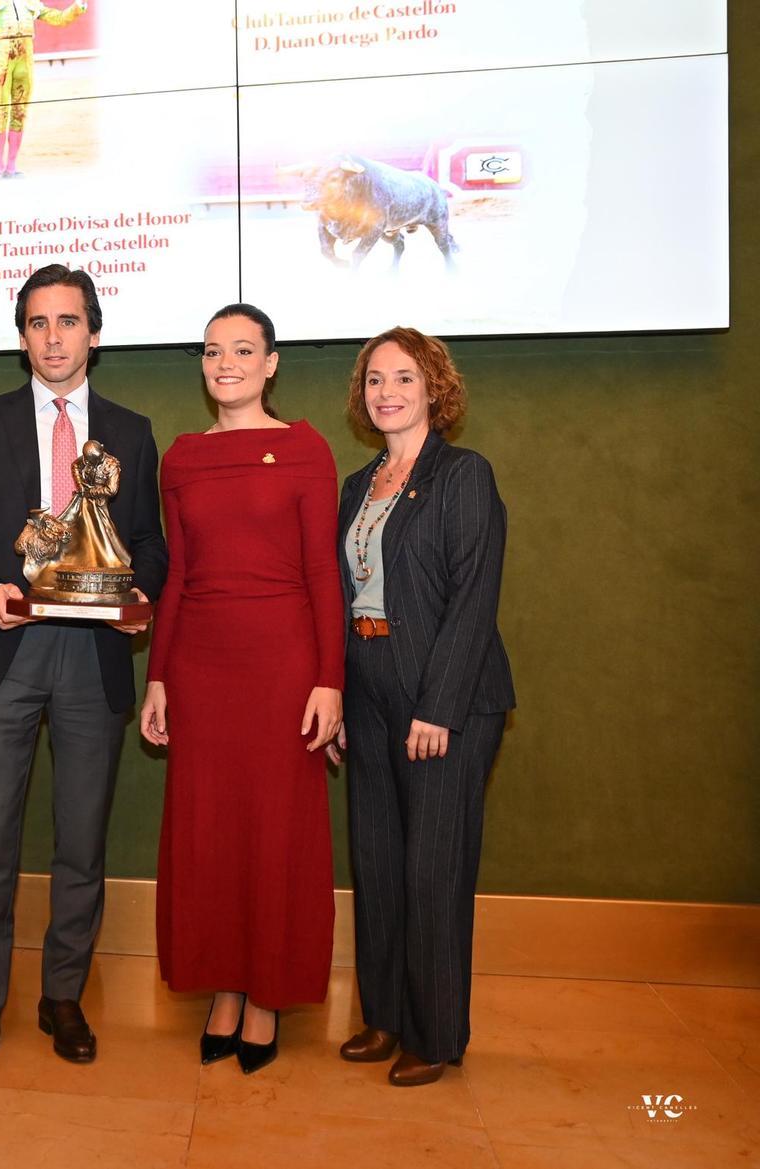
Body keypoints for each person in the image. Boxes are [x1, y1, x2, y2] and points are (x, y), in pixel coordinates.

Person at [0, 263, 167, 1087]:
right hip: (4, 654)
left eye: (68, 321)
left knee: (82, 844)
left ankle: (63, 996)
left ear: (94, 332)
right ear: (21, 334)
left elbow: (153, 543)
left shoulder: (131, 433)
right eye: (38, 322)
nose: (53, 337)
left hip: (93, 659)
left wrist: (138, 588)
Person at [140, 304, 344, 1075]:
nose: (226, 362)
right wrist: (158, 674)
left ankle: (267, 997)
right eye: (213, 350)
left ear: (271, 363)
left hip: (285, 666)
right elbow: (181, 574)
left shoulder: (305, 448)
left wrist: (331, 679)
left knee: (276, 833)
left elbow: (325, 570)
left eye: (243, 349)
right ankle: (225, 986)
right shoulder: (183, 457)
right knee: (211, 835)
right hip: (201, 666)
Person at [330, 326, 515, 1086]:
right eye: (375, 379)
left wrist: (437, 707)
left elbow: (474, 602)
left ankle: (435, 1035)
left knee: (431, 871)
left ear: (434, 387)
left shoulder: (464, 476)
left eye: (404, 377)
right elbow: (343, 598)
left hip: (449, 701)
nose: (387, 392)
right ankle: (385, 1017)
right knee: (377, 864)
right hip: (369, 690)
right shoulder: (356, 485)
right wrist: (339, 697)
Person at [0, 0, 88, 178]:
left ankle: (11, 167)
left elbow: (59, 19)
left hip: (25, 59)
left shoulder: (30, 3)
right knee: (0, 111)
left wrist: (77, 7)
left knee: (20, 112)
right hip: (3, 60)